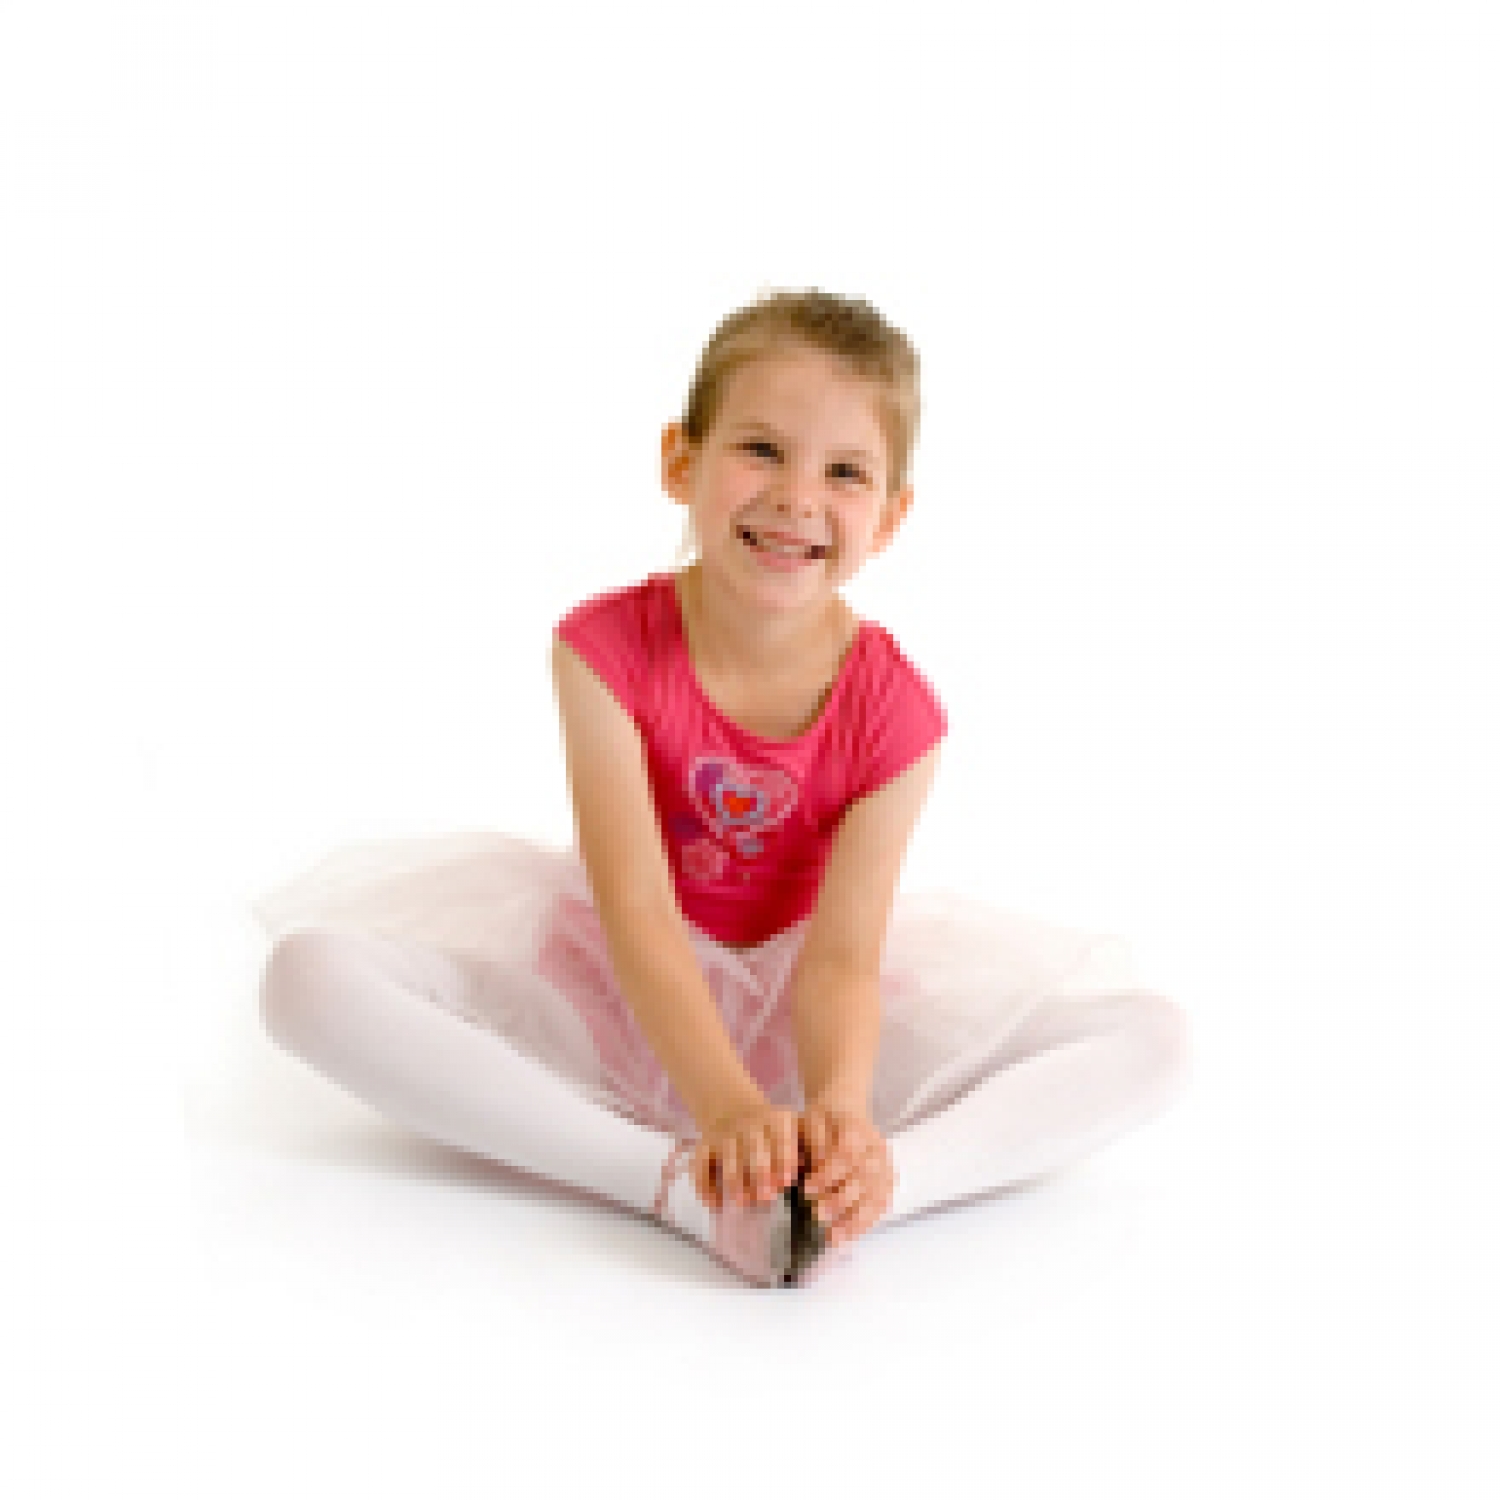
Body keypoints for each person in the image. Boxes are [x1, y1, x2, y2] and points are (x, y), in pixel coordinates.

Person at [255, 289, 1189, 1287]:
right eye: (761, 450)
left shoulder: (898, 712)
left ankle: (866, 1192)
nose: (796, 497)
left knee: (1155, 1039)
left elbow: (842, 960)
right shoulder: (604, 650)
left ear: (890, 515)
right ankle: (672, 1185)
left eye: (844, 472)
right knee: (306, 978)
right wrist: (728, 1107)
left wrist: (840, 1107)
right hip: (614, 993)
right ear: (681, 461)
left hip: (806, 1011)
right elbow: (637, 911)